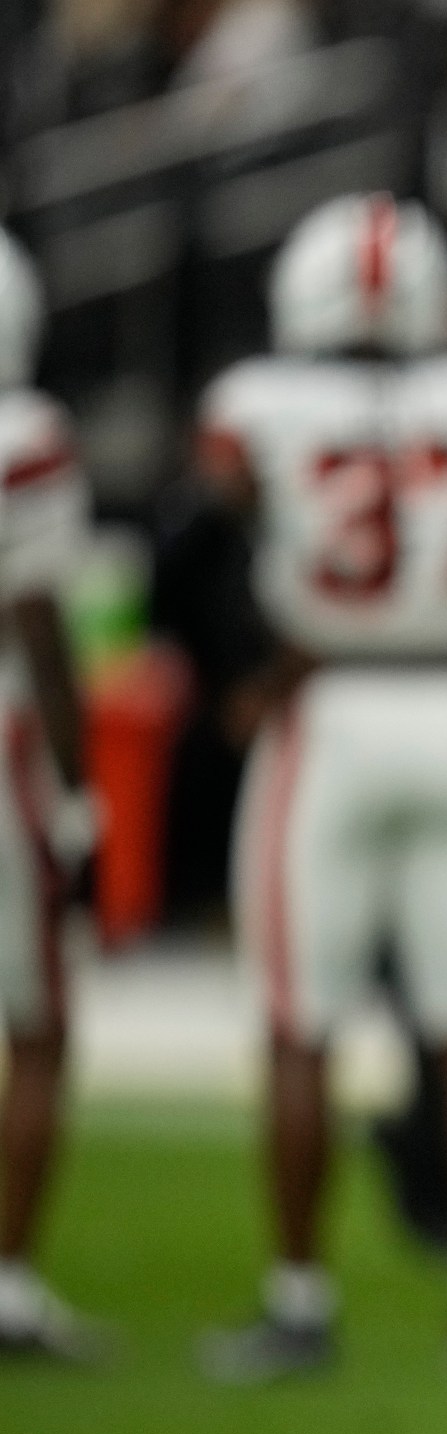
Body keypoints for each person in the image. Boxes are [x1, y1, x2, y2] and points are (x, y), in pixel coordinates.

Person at [194, 194, 447, 1379]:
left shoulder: (257, 407)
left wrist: (265, 661)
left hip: (331, 710)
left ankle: (299, 1302)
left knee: (302, 1027)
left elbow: (211, 528)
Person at [0, 229, 106, 1362]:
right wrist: (79, 799)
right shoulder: (21, 440)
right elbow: (37, 622)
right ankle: (9, 1285)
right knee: (34, 1026)